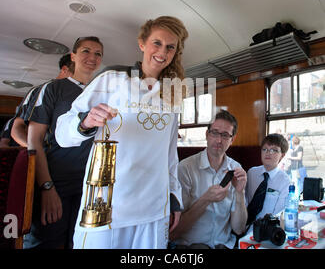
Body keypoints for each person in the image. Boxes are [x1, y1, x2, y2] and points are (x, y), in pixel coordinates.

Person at [55, 16, 189, 249]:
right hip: (107, 202)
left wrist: (174, 199)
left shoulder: (171, 94)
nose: (162, 52)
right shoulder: (112, 79)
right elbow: (62, 132)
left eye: (170, 47)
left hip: (154, 206)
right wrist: (85, 122)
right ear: (142, 44)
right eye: (156, 43)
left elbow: (169, 155)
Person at [24, 37, 103, 249]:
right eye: (86, 51)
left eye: (98, 54)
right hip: (54, 182)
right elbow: (33, 141)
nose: (92, 57)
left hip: (89, 188)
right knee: (45, 243)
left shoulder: (102, 93)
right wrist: (47, 187)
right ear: (73, 56)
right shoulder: (53, 89)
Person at [170, 110, 247, 249]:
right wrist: (206, 199)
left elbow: (239, 228)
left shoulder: (236, 169)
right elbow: (175, 232)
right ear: (207, 134)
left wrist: (239, 193)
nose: (219, 140)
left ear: (232, 139)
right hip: (190, 247)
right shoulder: (185, 168)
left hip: (224, 245)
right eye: (215, 133)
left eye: (225, 135)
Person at [11, 53, 74, 147]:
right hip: (47, 153)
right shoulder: (39, 90)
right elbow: (17, 128)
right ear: (65, 69)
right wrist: (36, 151)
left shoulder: (80, 94)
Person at [245, 133, 290, 225]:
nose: (268, 153)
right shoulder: (251, 173)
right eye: (264, 149)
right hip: (244, 224)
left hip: (266, 227)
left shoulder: (284, 180)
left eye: (274, 150)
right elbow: (243, 200)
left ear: (282, 155)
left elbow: (278, 213)